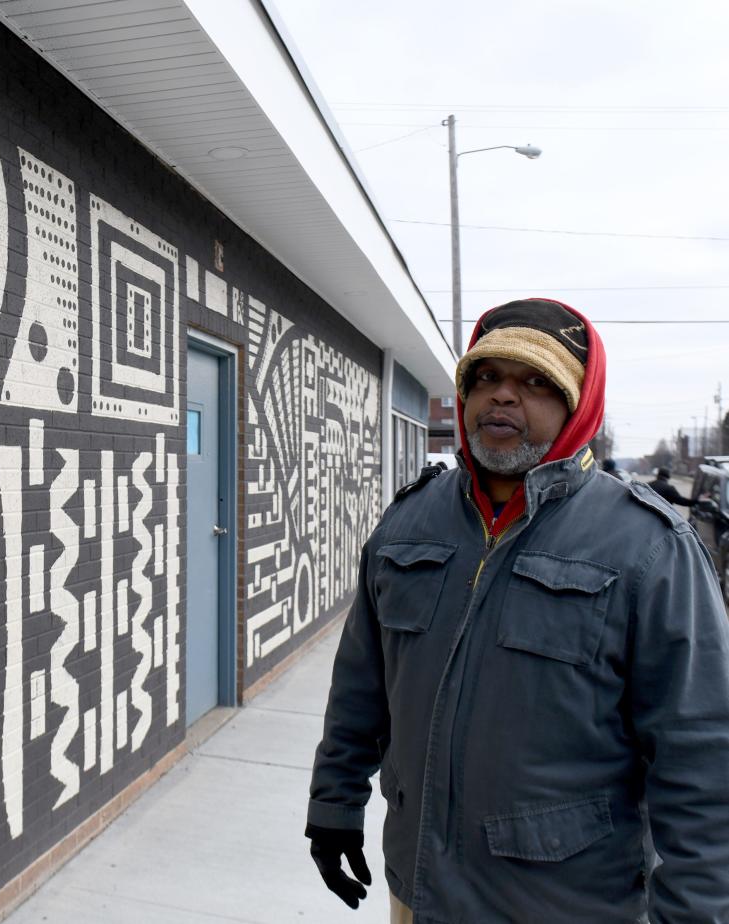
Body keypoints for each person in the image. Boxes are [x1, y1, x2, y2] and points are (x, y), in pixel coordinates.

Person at [306, 298, 729, 923]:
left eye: (536, 382)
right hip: (418, 892)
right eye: (487, 377)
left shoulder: (648, 547)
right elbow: (361, 685)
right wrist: (335, 805)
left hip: (567, 906)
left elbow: (702, 754)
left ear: (577, 405)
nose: (503, 397)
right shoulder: (408, 522)